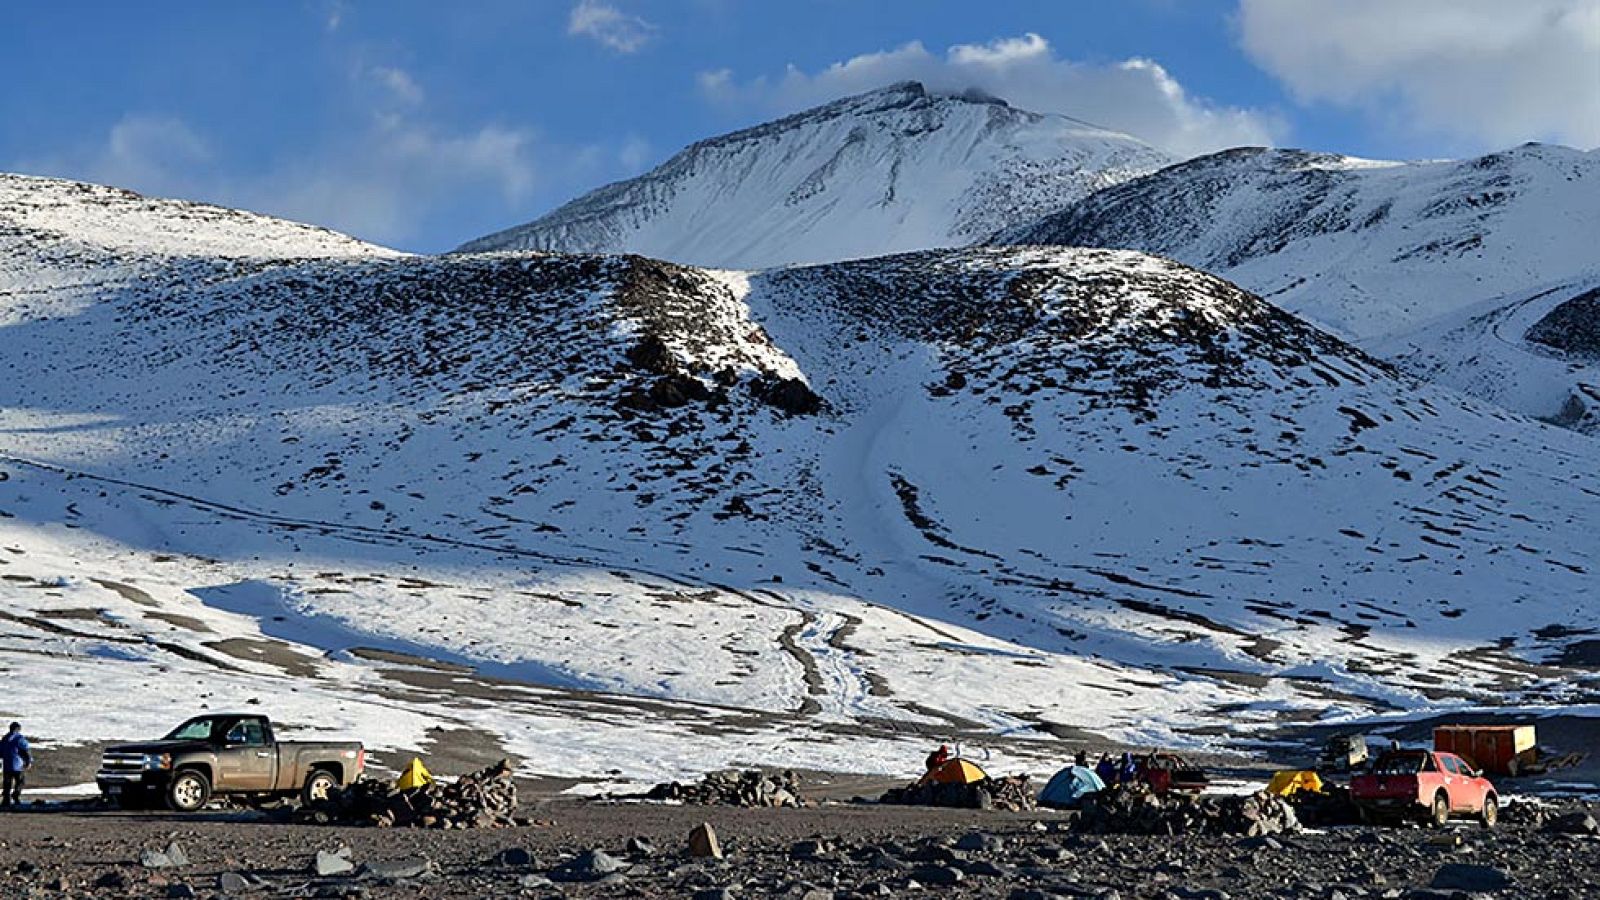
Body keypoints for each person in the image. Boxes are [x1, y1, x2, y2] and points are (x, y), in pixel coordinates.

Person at [0, 723, 30, 808]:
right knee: (20, 781)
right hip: (17, 765)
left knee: (7, 783)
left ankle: (6, 799)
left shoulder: (5, 739)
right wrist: (28, 761)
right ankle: (16, 795)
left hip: (7, 765)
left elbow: (0, 752)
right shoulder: (20, 738)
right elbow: (25, 751)